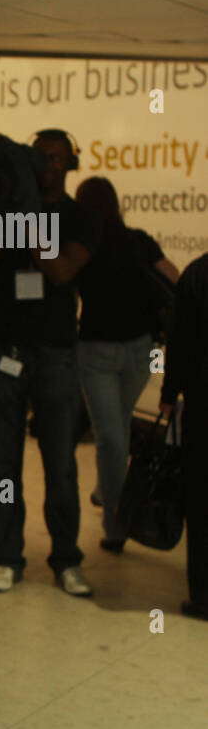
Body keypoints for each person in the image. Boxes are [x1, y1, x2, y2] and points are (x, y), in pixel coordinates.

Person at [0, 129, 97, 596]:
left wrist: (27, 219)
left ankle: (66, 558)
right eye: (40, 157)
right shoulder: (1, 208)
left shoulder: (81, 216)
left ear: (70, 163)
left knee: (60, 462)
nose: (48, 165)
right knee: (2, 463)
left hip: (56, 353)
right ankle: (7, 556)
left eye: (57, 158)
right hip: (2, 348)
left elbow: (61, 269)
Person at [73, 176, 180, 552]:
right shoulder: (139, 241)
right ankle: (110, 497)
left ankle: (114, 526)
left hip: (95, 350)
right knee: (115, 431)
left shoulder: (83, 246)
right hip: (141, 348)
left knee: (112, 436)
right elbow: (175, 280)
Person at [160, 252, 208, 621]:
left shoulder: (197, 274)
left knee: (201, 498)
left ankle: (203, 595)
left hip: (202, 400)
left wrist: (169, 394)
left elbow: (179, 339)